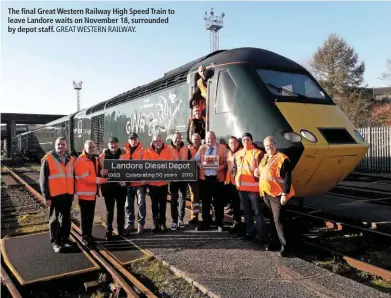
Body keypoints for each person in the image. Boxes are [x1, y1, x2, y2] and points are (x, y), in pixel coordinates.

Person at [254, 136, 295, 257]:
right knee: (272, 219)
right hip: (266, 193)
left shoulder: (282, 158)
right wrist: (258, 172)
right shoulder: (266, 157)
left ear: (275, 145)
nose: (269, 148)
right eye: (267, 146)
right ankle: (274, 242)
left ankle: (286, 247)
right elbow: (264, 171)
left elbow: (288, 177)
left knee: (279, 220)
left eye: (271, 145)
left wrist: (284, 194)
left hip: (277, 194)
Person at [39, 137, 76, 253]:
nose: (61, 146)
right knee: (54, 220)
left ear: (66, 146)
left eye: (63, 144)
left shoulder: (71, 159)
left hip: (67, 194)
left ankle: (64, 239)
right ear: (55, 145)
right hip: (55, 195)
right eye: (59, 144)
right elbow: (43, 180)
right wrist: (46, 196)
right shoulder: (48, 159)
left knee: (66, 219)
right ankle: (55, 242)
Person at [232, 133, 265, 247]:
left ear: (251, 140)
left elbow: (263, 169)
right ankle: (250, 233)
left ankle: (261, 236)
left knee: (257, 213)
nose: (246, 141)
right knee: (246, 213)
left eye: (248, 139)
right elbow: (234, 168)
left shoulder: (257, 153)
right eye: (244, 139)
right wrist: (234, 174)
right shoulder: (237, 154)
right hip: (241, 188)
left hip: (253, 188)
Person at [74, 140, 108, 247]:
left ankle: (89, 235)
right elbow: (86, 179)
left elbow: (95, 172)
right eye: (89, 147)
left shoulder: (94, 159)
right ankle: (85, 237)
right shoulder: (81, 160)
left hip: (92, 194)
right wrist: (101, 180)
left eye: (93, 147)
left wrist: (101, 173)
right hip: (84, 194)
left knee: (90, 216)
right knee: (85, 217)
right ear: (84, 148)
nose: (92, 148)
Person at [194, 131, 227, 231]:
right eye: (208, 138)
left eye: (212, 138)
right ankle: (205, 223)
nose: (210, 140)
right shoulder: (202, 148)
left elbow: (226, 163)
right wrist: (200, 165)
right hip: (205, 179)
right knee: (205, 202)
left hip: (217, 179)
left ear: (215, 138)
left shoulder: (222, 148)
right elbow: (196, 159)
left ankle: (219, 223)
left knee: (218, 202)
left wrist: (220, 167)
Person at [143, 134, 177, 232]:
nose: (157, 143)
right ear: (152, 141)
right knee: (154, 205)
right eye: (155, 141)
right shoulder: (148, 151)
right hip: (152, 183)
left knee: (163, 204)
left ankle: (163, 223)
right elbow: (145, 166)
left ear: (162, 141)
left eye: (159, 141)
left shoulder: (168, 150)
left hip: (163, 183)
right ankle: (155, 224)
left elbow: (171, 164)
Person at [98, 137, 127, 240]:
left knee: (121, 210)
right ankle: (108, 231)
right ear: (108, 145)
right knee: (109, 211)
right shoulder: (102, 157)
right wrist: (100, 174)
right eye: (111, 143)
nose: (113, 145)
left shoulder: (125, 155)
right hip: (108, 187)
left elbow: (131, 170)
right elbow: (97, 171)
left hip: (121, 188)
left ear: (118, 144)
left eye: (115, 143)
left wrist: (126, 182)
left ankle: (121, 230)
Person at [122, 133, 147, 234]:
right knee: (128, 205)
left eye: (135, 139)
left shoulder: (143, 151)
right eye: (131, 139)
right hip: (128, 183)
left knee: (141, 204)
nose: (133, 141)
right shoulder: (123, 151)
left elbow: (146, 165)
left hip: (139, 183)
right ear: (128, 141)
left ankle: (141, 224)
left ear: (138, 140)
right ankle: (130, 224)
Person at [168, 132, 188, 230]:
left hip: (183, 179)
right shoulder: (168, 149)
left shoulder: (186, 148)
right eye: (176, 138)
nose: (178, 140)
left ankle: (181, 219)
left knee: (182, 200)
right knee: (173, 200)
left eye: (179, 138)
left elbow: (191, 160)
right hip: (173, 179)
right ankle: (174, 221)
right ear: (172, 139)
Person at [224, 136, 242, 235]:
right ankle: (236, 224)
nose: (232, 145)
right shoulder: (228, 153)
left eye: (234, 142)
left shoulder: (241, 152)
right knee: (234, 205)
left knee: (238, 205)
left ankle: (238, 225)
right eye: (230, 143)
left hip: (239, 183)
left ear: (238, 143)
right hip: (230, 182)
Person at [188, 133, 202, 225]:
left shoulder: (204, 148)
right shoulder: (188, 149)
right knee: (194, 198)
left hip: (203, 176)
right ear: (191, 140)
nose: (196, 140)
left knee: (205, 197)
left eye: (197, 139)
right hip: (193, 177)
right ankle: (194, 217)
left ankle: (206, 216)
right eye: (194, 139)